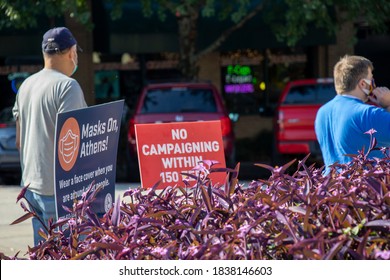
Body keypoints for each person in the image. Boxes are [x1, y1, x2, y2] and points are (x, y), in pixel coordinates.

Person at [12, 27, 87, 245]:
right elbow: (75, 146)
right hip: (60, 191)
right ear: (72, 52)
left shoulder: (26, 86)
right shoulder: (67, 87)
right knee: (67, 257)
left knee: (45, 257)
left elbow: (19, 141)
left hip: (31, 187)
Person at [315, 55, 390, 174]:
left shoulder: (322, 112)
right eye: (371, 78)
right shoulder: (367, 113)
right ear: (363, 84)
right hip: (367, 188)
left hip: (333, 188)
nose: (373, 83)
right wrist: (388, 104)